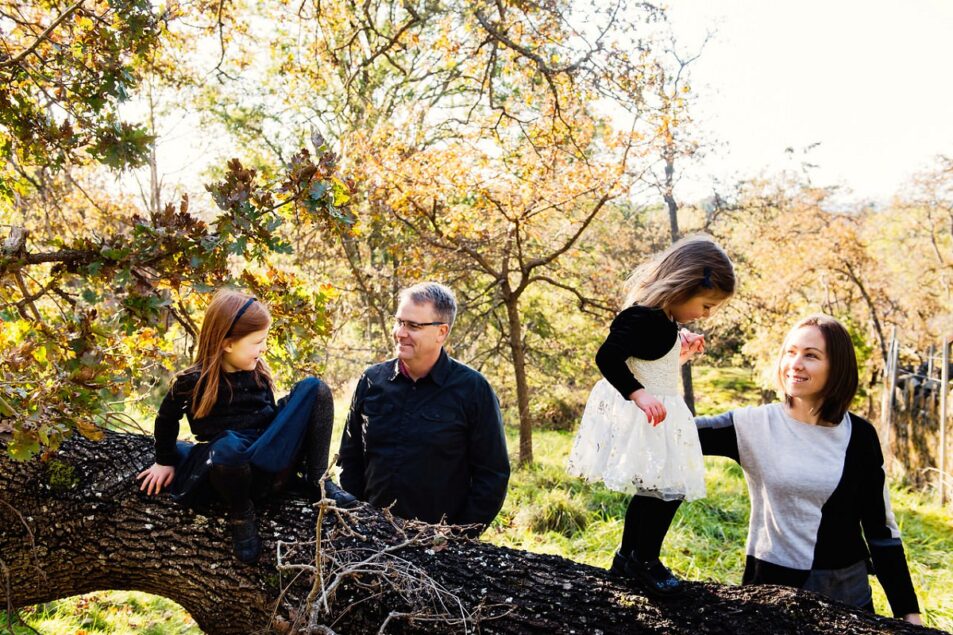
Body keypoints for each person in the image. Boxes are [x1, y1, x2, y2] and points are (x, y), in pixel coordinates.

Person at [694, 314, 922, 624]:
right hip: (773, 595)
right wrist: (654, 378)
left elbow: (881, 530)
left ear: (837, 367)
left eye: (811, 355)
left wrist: (908, 612)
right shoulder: (754, 425)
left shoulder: (861, 435)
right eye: (790, 352)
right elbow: (676, 433)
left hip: (849, 597)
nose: (795, 363)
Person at [567, 235, 735, 598]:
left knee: (657, 491)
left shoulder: (664, 321)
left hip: (658, 414)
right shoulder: (642, 317)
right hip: (646, 414)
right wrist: (638, 394)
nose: (706, 315)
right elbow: (608, 358)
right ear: (683, 286)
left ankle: (629, 557)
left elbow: (651, 363)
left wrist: (680, 352)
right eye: (706, 305)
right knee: (663, 491)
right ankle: (644, 560)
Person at [136, 289, 355, 564]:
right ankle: (241, 514)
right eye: (257, 342)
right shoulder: (192, 382)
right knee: (228, 445)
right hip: (230, 470)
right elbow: (166, 419)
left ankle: (317, 481)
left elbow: (269, 419)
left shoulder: (258, 372)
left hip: (267, 456)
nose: (263, 349)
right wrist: (164, 461)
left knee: (315, 388)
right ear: (227, 343)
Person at [338, 282, 510, 534]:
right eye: (399, 322)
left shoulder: (473, 390)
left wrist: (457, 537)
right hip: (370, 537)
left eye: (413, 326)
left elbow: (493, 475)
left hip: (439, 546)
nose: (400, 332)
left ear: (441, 332)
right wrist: (358, 520)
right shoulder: (372, 380)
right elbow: (350, 459)